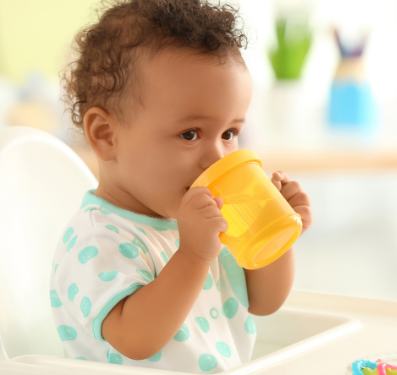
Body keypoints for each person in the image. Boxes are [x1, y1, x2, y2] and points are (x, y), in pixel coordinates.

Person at [50, 0, 312, 372]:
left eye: (229, 133)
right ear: (106, 135)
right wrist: (191, 255)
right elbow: (136, 340)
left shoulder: (202, 220)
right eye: (190, 134)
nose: (218, 156)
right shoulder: (98, 239)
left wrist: (276, 234)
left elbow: (264, 301)